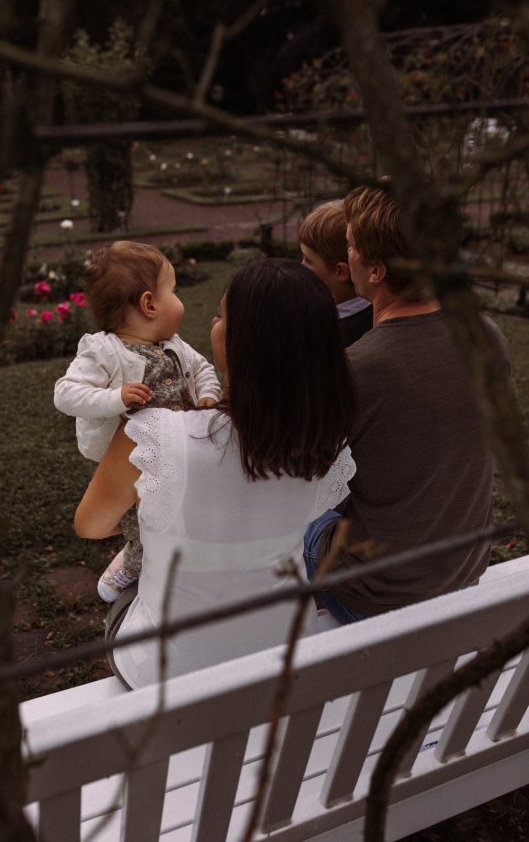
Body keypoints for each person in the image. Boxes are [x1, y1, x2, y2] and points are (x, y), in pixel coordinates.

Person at [74, 258, 357, 688]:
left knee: (132, 578)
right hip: (282, 652)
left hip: (163, 672)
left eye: (223, 317)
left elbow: (91, 525)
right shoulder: (326, 442)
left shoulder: (154, 437)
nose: (213, 324)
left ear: (245, 344)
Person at [305, 186, 510, 624]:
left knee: (297, 524)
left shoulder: (357, 368)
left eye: (350, 246)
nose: (347, 256)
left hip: (374, 594)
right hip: (462, 569)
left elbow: (302, 472)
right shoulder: (486, 334)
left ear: (376, 270)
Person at [54, 241, 221, 602]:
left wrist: (209, 394)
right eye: (173, 291)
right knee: (143, 520)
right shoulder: (103, 351)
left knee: (186, 510)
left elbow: (203, 369)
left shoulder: (174, 344)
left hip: (182, 448)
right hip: (136, 460)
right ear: (149, 304)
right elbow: (65, 393)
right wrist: (115, 398)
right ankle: (133, 563)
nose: (178, 299)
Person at [299, 200, 373, 347]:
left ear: (341, 272)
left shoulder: (333, 335)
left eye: (308, 260)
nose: (301, 266)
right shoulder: (376, 309)